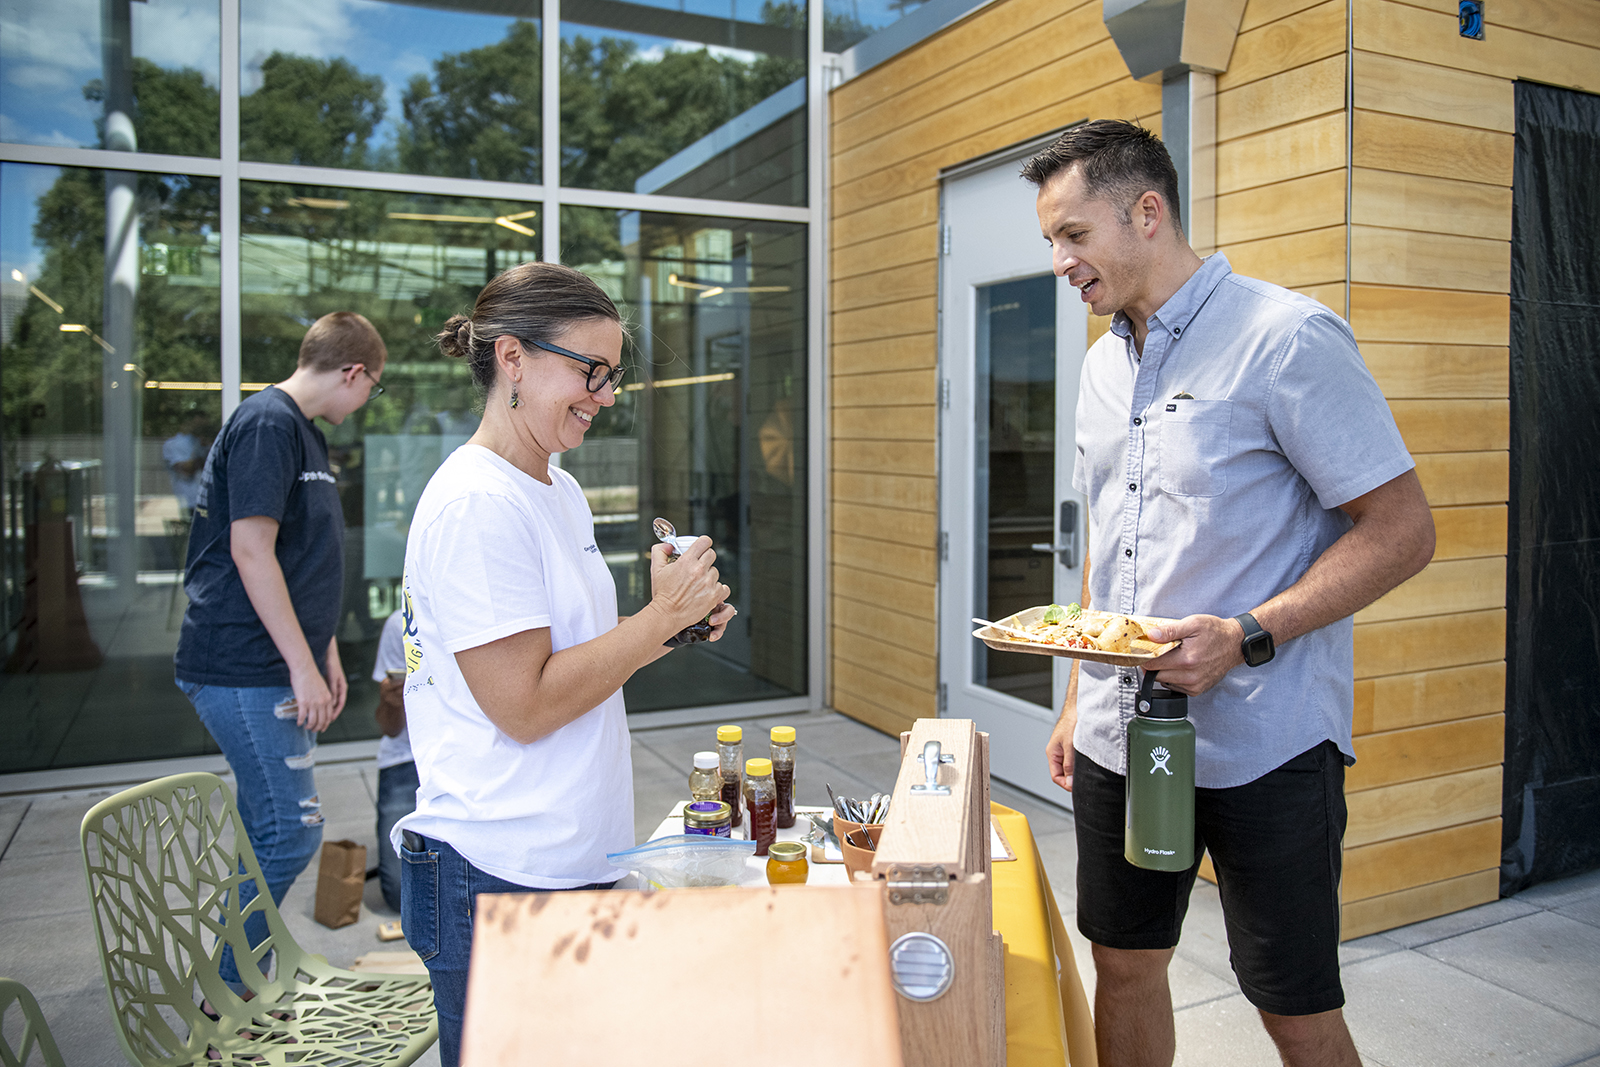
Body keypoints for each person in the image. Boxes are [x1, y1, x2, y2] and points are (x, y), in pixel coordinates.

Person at [1024, 121, 1435, 1067]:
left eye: (1074, 235)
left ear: (1148, 212)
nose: (1060, 263)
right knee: (1123, 962)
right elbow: (1112, 536)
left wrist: (1249, 632)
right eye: (1051, 241)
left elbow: (1403, 531)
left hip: (1268, 740)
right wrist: (1079, 695)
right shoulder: (1099, 366)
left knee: (1293, 1005)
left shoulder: (1285, 337)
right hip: (1119, 738)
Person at [393, 261, 733, 1067]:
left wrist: (669, 627)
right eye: (591, 371)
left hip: (559, 859)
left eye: (612, 376)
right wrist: (656, 621)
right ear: (512, 357)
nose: (606, 395)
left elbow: (566, 657)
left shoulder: (555, 485)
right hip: (498, 873)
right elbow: (526, 704)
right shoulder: (480, 503)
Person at [174, 311, 387, 995]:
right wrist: (299, 663)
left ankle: (243, 974)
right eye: (372, 388)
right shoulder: (268, 423)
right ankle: (229, 995)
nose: (364, 404)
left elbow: (300, 563)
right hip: (242, 664)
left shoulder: (304, 434)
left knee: (264, 826)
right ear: (353, 371)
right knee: (290, 833)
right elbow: (250, 549)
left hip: (276, 660)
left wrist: (322, 649)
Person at [370, 607, 414, 913]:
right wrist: (391, 701)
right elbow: (390, 727)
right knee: (401, 896)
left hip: (468, 758)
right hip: (406, 756)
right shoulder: (401, 623)